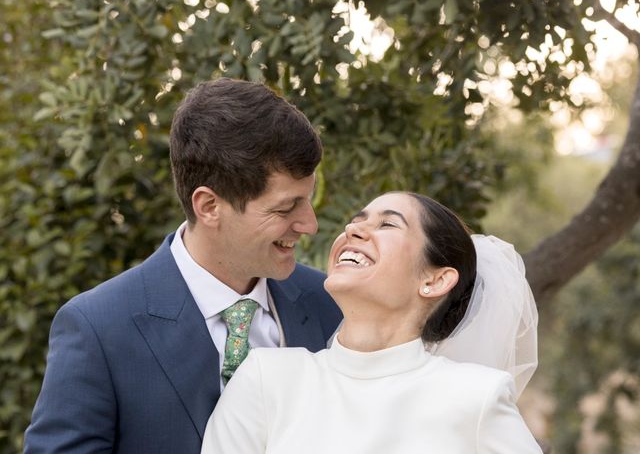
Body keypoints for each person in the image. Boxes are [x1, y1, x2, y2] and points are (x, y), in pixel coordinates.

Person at [24, 78, 342, 453]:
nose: (310, 224)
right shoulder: (97, 329)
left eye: (308, 199)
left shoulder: (331, 304)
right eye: (286, 208)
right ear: (209, 206)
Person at [201, 192, 542, 453]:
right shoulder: (266, 377)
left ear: (435, 281)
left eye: (387, 224)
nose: (353, 229)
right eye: (356, 220)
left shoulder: (477, 397)